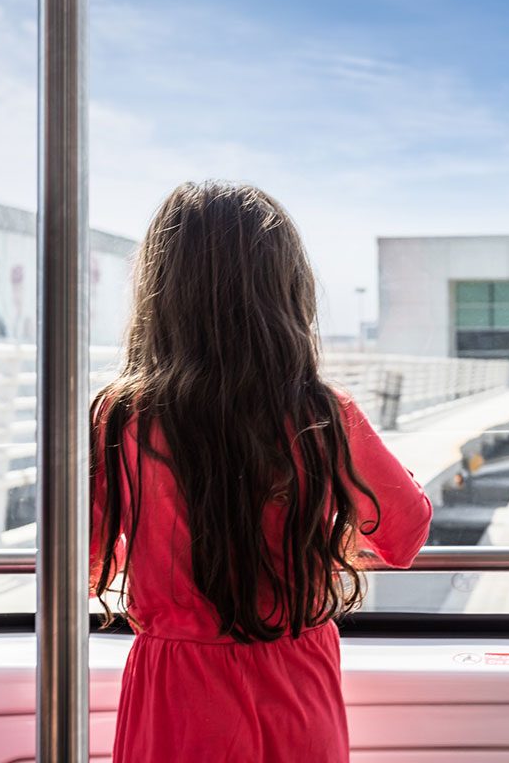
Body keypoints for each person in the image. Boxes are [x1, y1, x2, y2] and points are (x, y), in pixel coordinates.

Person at [90, 181, 432, 762]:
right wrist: (326, 533)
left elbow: (93, 556)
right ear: (286, 292)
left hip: (175, 683)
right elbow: (403, 535)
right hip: (294, 677)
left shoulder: (123, 416)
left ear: (160, 294)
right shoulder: (323, 413)